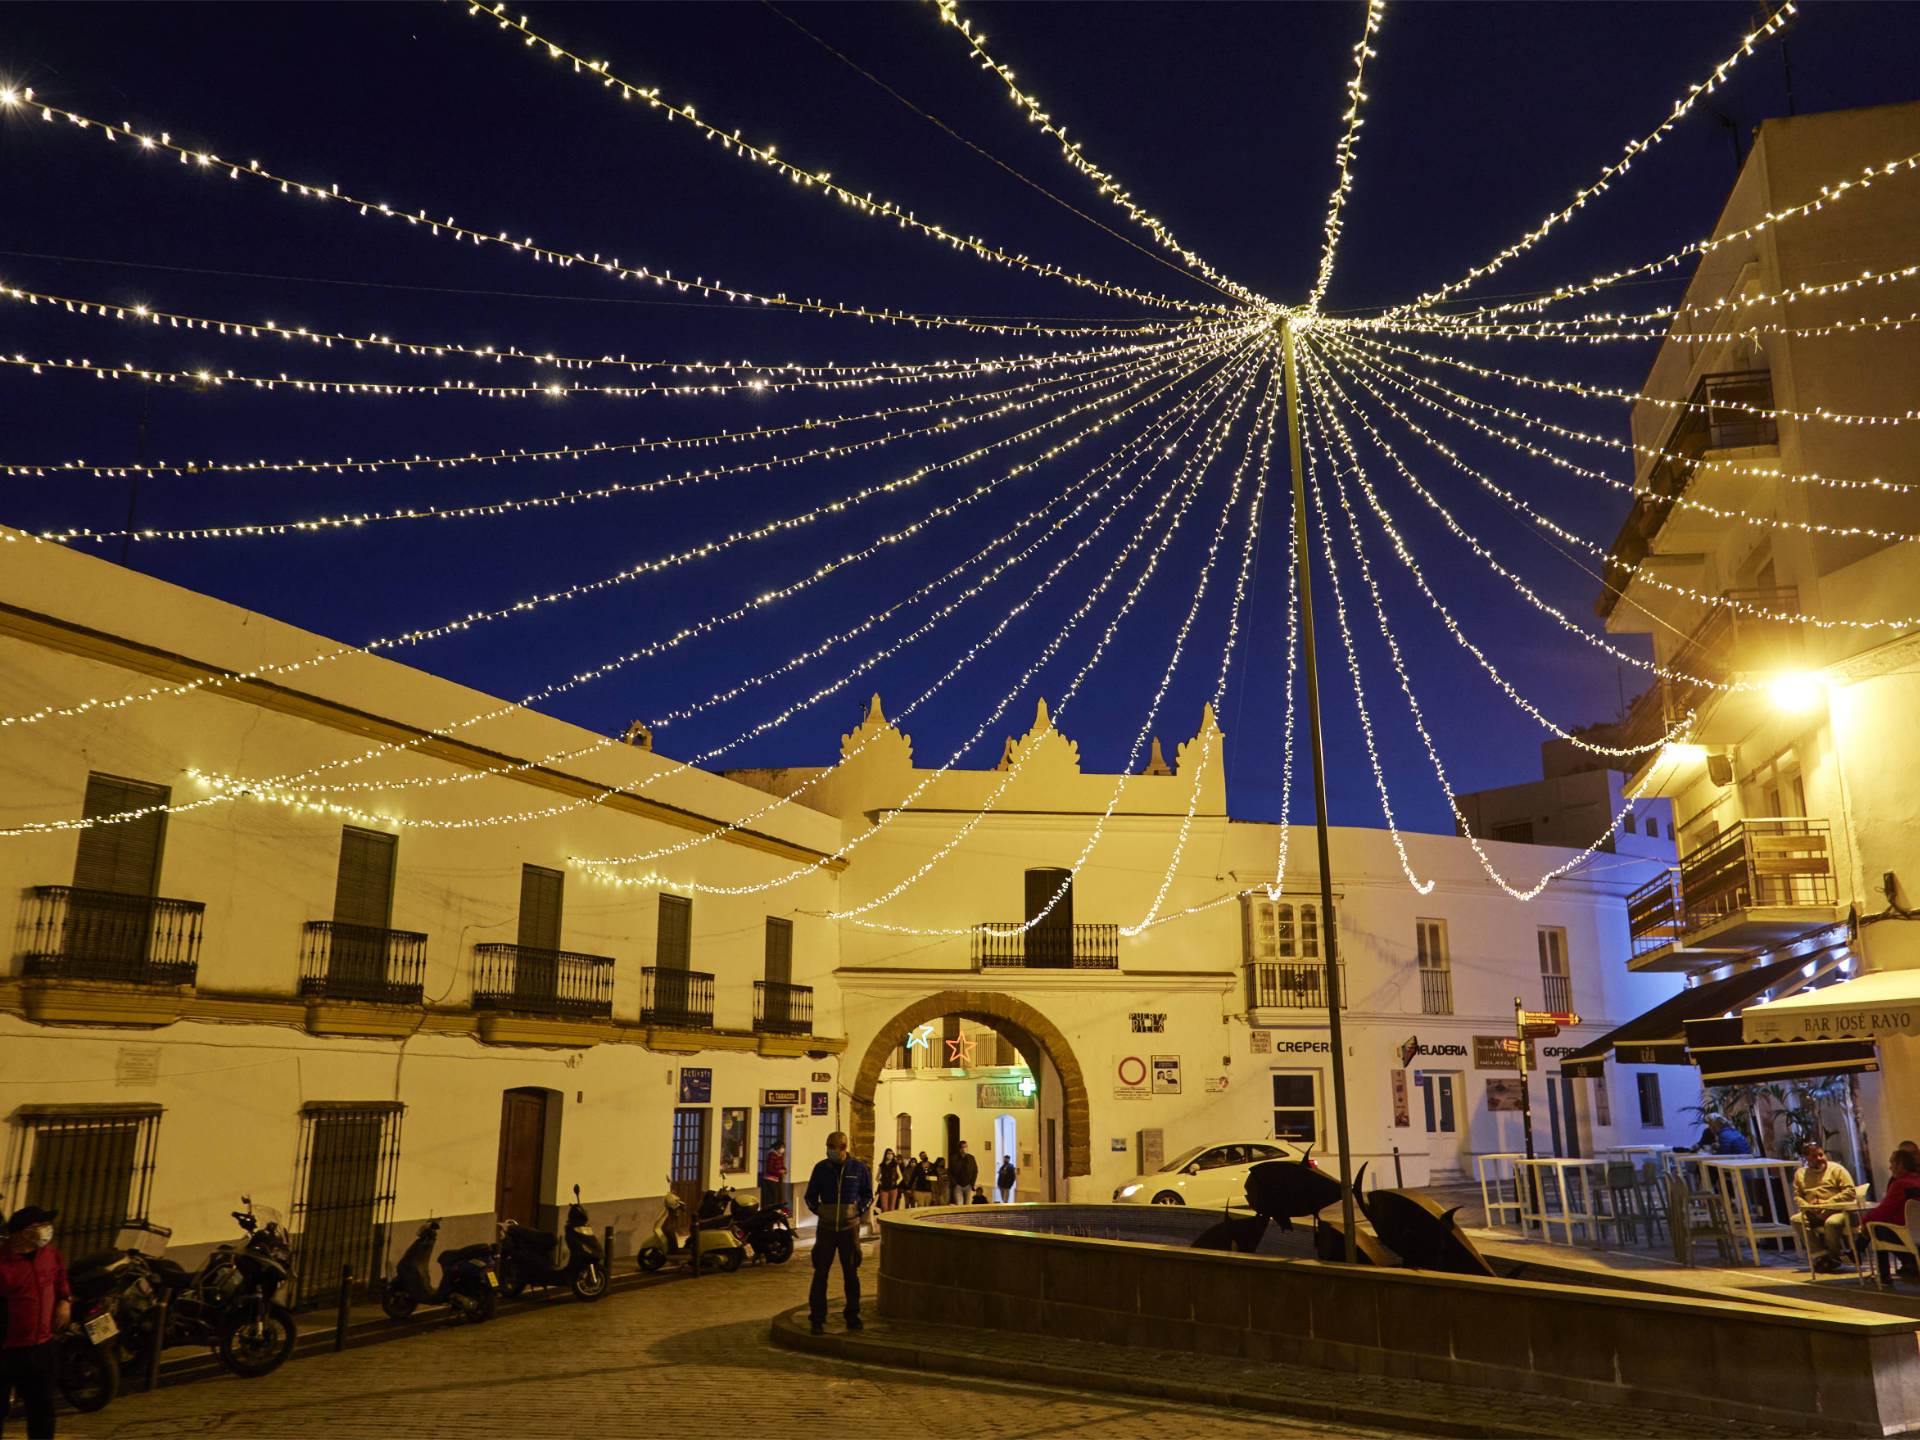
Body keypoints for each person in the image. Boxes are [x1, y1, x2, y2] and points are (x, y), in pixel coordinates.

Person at [0, 1205, 69, 1440]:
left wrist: (64, 1300)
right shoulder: (3, 1262)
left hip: (42, 1345)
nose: (47, 1230)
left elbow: (60, 1277)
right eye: (39, 1226)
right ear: (23, 1232)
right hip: (7, 1349)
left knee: (42, 1408)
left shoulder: (49, 1254)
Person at [802, 1131, 872, 1335]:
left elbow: (868, 1194)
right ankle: (817, 1318)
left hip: (849, 1229)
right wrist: (821, 1211)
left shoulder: (858, 1168)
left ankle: (852, 1315)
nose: (829, 1150)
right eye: (828, 1146)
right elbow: (810, 1196)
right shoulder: (821, 1168)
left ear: (843, 1148)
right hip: (826, 1228)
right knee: (820, 1273)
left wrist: (857, 1211)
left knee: (851, 1273)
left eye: (832, 1146)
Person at [1793, 1143, 1859, 1273]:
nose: (1819, 1158)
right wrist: (1809, 1207)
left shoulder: (1837, 1169)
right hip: (1813, 1211)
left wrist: (1827, 1203)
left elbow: (1850, 1192)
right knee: (1796, 1220)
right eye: (1814, 1156)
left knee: (1832, 1223)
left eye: (1821, 1154)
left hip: (1838, 1210)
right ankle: (1822, 1256)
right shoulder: (1800, 1174)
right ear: (1806, 1159)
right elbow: (1798, 1197)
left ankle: (1833, 1257)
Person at [1863, 1148, 1920, 1283]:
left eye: (1892, 1163)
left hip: (1907, 1233)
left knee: (1874, 1228)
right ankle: (1910, 1263)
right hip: (1916, 1232)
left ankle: (1884, 1276)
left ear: (1900, 1165)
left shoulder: (1900, 1184)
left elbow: (1884, 1210)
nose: (1890, 1167)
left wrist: (1864, 1221)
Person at [760, 1139, 787, 1214]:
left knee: (779, 1195)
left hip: (777, 1179)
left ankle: (778, 1211)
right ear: (777, 1147)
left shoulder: (780, 1156)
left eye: (783, 1147)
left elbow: (781, 1165)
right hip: (769, 1178)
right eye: (782, 1147)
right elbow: (769, 1168)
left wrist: (784, 1169)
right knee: (774, 1195)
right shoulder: (772, 1155)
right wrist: (779, 1171)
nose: (783, 1149)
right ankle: (772, 1212)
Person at [950, 1141, 978, 1206]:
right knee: (959, 1204)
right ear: (960, 1149)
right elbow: (951, 1171)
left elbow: (975, 1171)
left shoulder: (971, 1158)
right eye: (964, 1147)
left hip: (968, 1185)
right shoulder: (954, 1158)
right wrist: (954, 1183)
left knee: (967, 1205)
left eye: (966, 1147)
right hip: (958, 1185)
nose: (965, 1149)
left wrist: (972, 1183)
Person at [876, 1148, 902, 1213]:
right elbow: (876, 1178)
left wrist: (896, 1183)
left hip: (893, 1188)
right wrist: (880, 1182)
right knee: (884, 1207)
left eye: (891, 1154)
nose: (890, 1155)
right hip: (884, 1188)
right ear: (885, 1155)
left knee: (892, 1208)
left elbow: (900, 1177)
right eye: (888, 1154)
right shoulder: (881, 1165)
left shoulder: (895, 1165)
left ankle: (890, 1221)